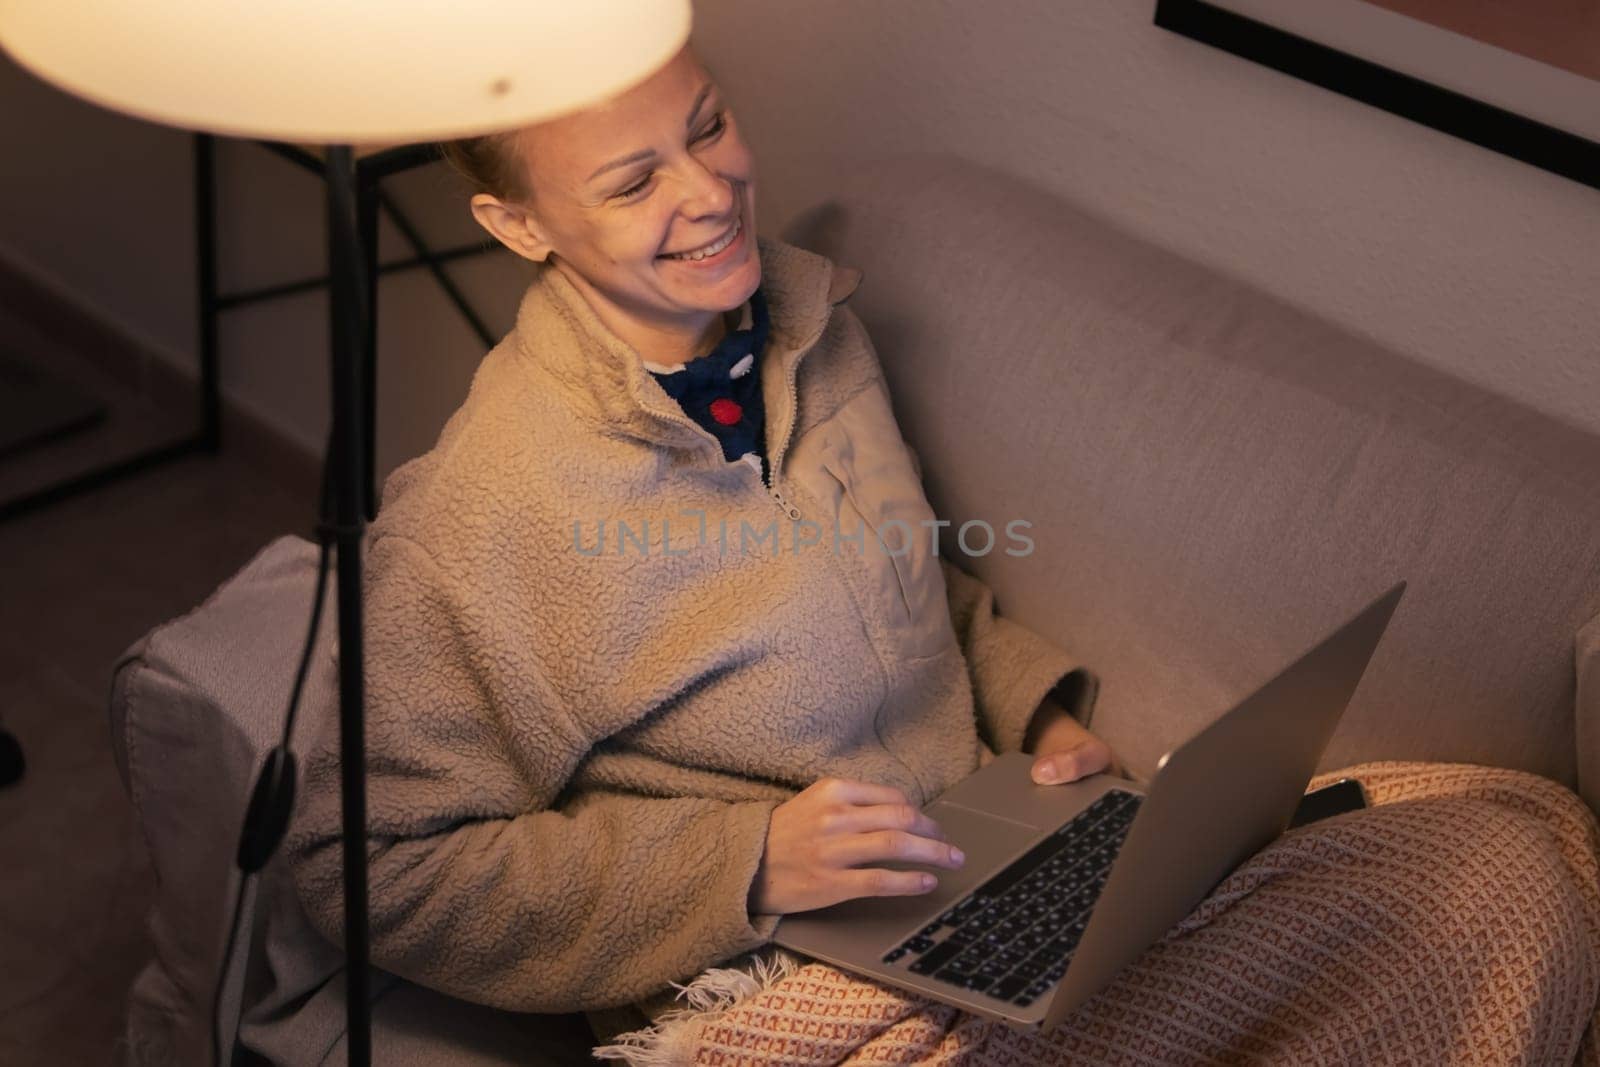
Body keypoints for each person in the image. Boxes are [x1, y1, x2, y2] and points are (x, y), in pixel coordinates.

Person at [286, 44, 1600, 1064]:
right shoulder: (487, 519)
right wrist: (743, 865)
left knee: (1495, 873)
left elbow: (898, 571)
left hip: (986, 870)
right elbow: (372, 867)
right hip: (780, 996)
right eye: (633, 184)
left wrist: (1032, 709)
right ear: (519, 226)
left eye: (709, 127)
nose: (711, 193)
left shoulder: (809, 324)